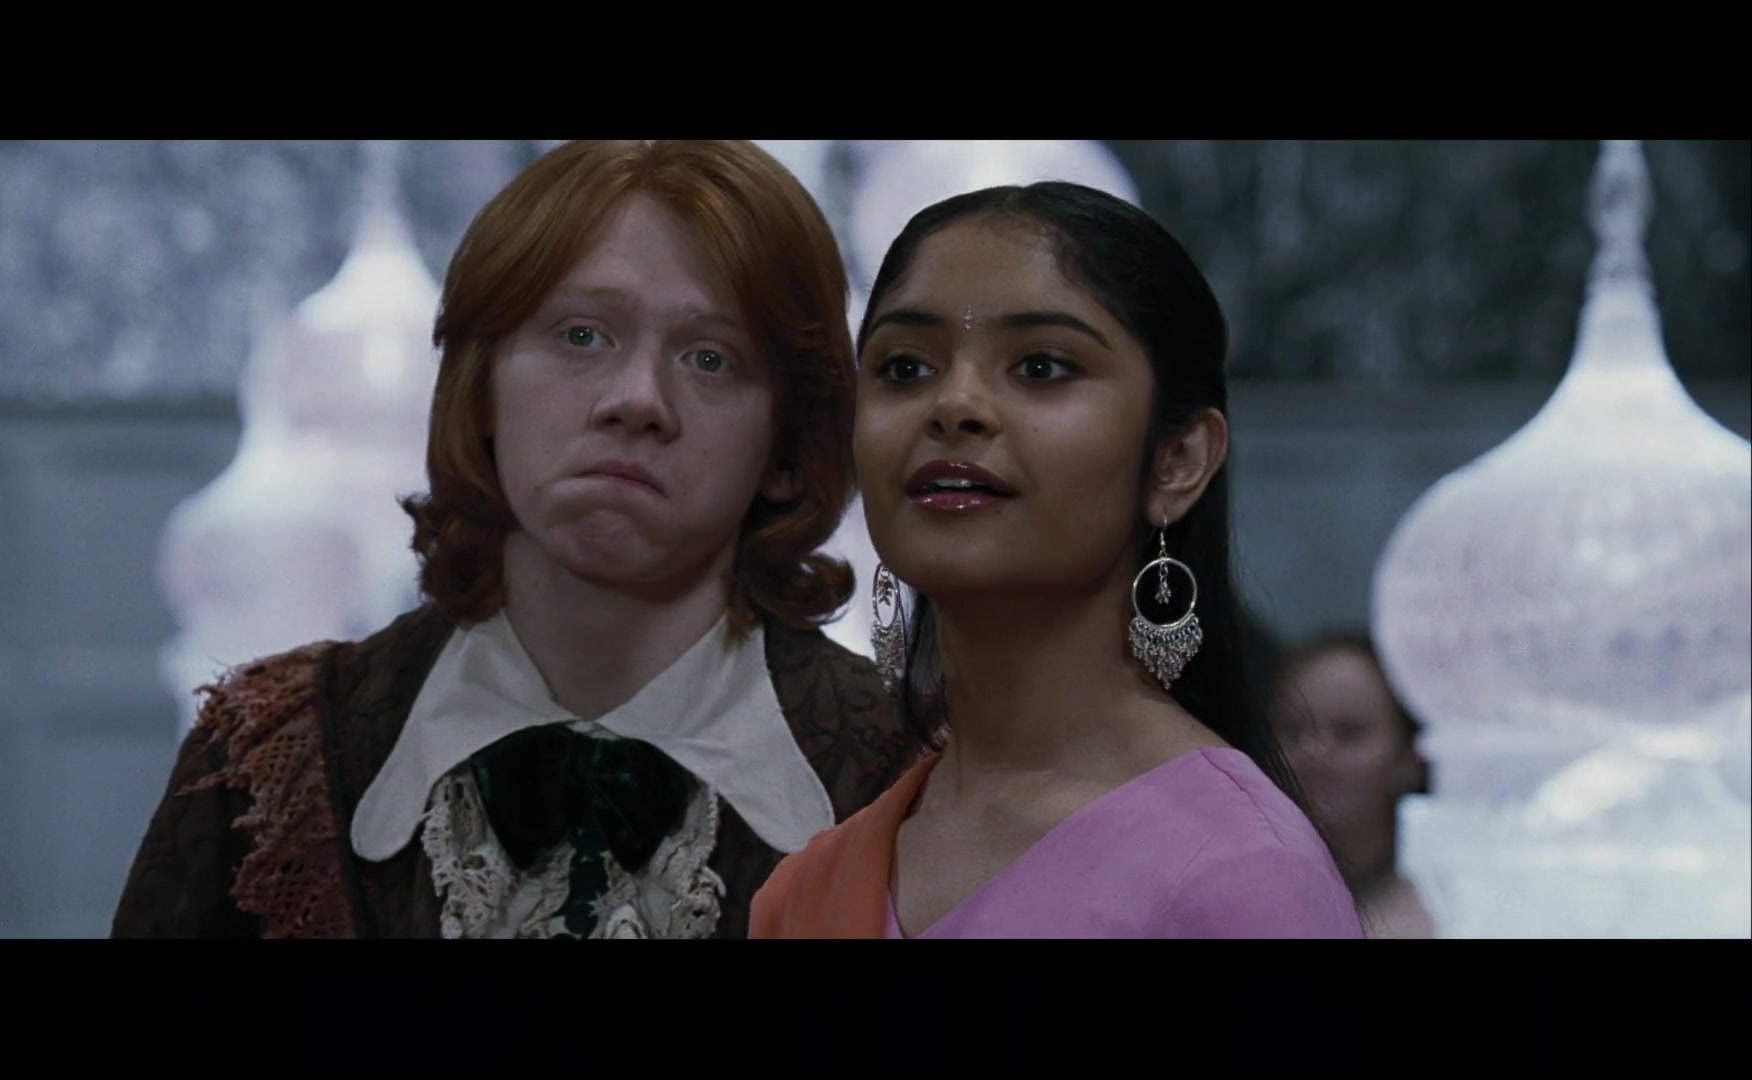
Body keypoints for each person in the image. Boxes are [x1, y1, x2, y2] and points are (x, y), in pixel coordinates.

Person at [112, 140, 914, 939]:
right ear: (483, 381)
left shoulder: (916, 777)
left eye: (711, 358)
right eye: (582, 336)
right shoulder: (270, 765)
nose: (637, 399)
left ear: (784, 443)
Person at [749, 181, 1362, 938]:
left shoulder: (1242, 876)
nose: (955, 405)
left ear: (1177, 460)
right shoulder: (808, 890)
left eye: (1041, 367)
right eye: (905, 368)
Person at [1270, 632, 1435, 938]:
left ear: (1409, 759)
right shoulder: (1237, 887)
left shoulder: (1447, 902)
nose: (1315, 752)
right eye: (1293, 732)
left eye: (1348, 733)